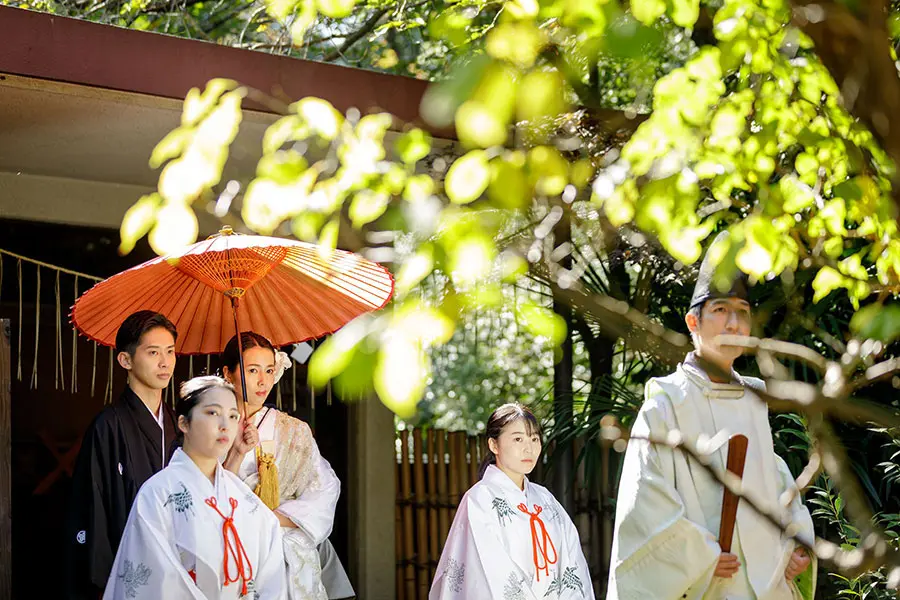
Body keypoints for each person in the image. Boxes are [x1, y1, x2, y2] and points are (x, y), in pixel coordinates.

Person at [607, 231, 816, 600]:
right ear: (693, 322)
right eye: (720, 311)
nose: (733, 325)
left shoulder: (754, 398)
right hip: (705, 586)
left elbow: (775, 479)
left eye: (743, 313)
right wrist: (698, 554)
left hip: (765, 587)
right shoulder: (666, 403)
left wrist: (796, 543)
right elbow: (644, 497)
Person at [103, 376, 287, 599]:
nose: (225, 425)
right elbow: (154, 579)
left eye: (232, 416)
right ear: (184, 423)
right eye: (213, 413)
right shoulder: (158, 493)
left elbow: (271, 574)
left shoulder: (244, 499)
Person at [221, 332, 353, 600]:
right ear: (228, 373)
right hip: (230, 542)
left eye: (269, 370)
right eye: (252, 370)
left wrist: (272, 519)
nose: (263, 381)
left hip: (283, 539)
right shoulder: (211, 425)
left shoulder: (294, 430)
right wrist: (235, 454)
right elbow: (204, 491)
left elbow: (324, 488)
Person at [63, 310, 180, 598]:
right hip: (127, 566)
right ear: (125, 360)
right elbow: (93, 509)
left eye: (170, 352)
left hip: (176, 564)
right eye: (153, 352)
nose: (165, 362)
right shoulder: (108, 425)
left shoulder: (178, 425)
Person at [430, 403, 595, 600]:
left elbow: (572, 559)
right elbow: (488, 575)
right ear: (494, 445)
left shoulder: (545, 499)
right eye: (518, 439)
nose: (529, 448)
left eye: (534, 438)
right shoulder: (479, 500)